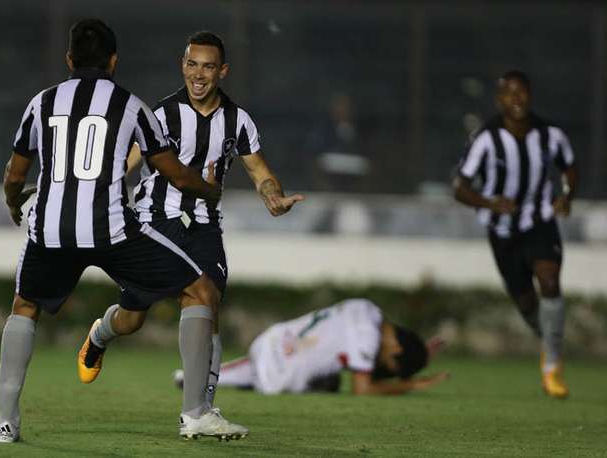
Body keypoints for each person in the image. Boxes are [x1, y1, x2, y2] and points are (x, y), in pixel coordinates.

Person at [0, 18, 226, 443]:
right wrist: (210, 190)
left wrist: (13, 203)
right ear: (114, 62)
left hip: (51, 233)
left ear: (68, 60)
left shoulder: (40, 103)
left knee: (25, 307)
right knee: (200, 291)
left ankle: (6, 423)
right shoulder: (132, 106)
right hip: (113, 232)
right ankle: (195, 413)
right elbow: (174, 173)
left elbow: (15, 173)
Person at [78, 31, 303, 439]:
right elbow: (123, 163)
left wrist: (273, 196)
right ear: (183, 66)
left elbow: (260, 172)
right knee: (131, 319)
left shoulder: (238, 121)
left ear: (222, 71)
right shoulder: (159, 115)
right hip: (153, 223)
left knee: (208, 301)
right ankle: (101, 332)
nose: (198, 75)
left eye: (208, 66)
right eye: (192, 65)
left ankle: (200, 410)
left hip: (203, 227)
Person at [452, 70, 577, 399]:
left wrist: (567, 194)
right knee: (525, 301)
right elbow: (459, 187)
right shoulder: (486, 139)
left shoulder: (550, 134)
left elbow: (570, 167)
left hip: (539, 221)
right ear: (500, 99)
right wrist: (488, 203)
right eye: (509, 93)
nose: (516, 99)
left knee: (550, 281)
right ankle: (548, 339)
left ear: (530, 95)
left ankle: (552, 365)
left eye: (522, 92)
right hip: (502, 230)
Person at [174, 298, 448, 395]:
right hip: (282, 375)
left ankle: (191, 378)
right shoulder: (367, 337)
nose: (383, 366)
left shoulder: (368, 309)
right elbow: (363, 389)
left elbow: (386, 351)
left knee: (326, 378)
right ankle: (197, 378)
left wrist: (418, 352)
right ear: (397, 349)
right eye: (390, 365)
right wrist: (412, 385)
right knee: (329, 384)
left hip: (273, 339)